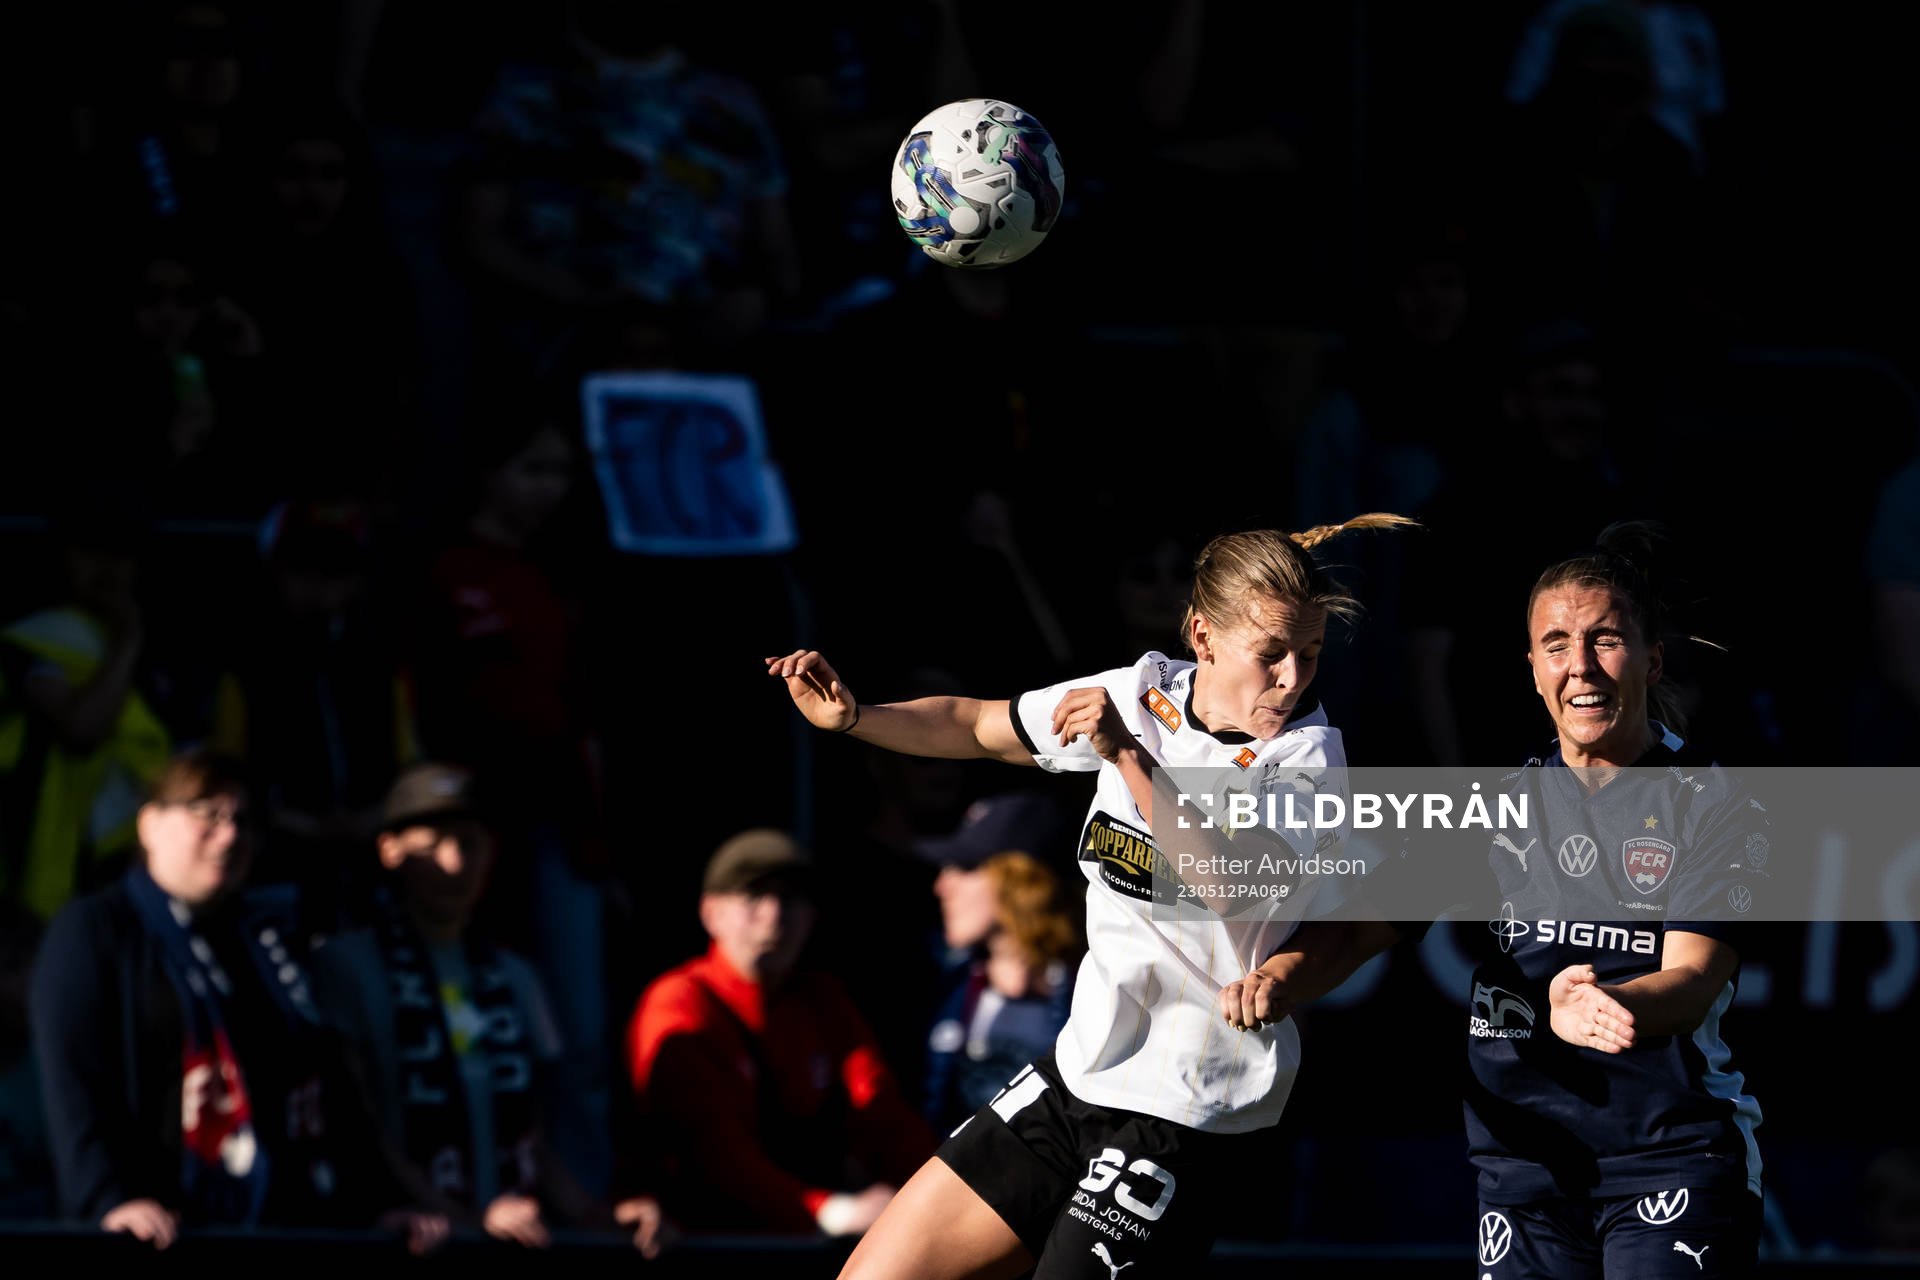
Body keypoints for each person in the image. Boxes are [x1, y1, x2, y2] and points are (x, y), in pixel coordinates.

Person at [767, 516, 1418, 1278]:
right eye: (1270, 654)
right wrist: (857, 719)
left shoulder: (1304, 758)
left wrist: (1129, 761)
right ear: (1203, 638)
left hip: (1183, 1105)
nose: (1292, 679)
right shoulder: (1139, 694)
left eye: (1308, 656)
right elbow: (980, 726)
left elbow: (1233, 891)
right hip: (1076, 1075)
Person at [1460, 522, 1766, 1278]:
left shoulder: (1718, 802)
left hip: (1673, 1158)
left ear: (1653, 658)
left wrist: (1599, 1007)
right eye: (1557, 644)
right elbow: (1363, 928)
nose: (1582, 666)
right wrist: (1278, 977)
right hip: (1524, 1169)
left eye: (1606, 639)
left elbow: (1693, 981)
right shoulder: (1487, 806)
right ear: (1532, 669)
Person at [27, 749, 442, 1252]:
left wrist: (380, 1202)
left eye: (242, 822)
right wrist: (106, 1201)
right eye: (207, 814)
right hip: (155, 1232)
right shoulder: (94, 929)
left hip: (273, 1224)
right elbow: (73, 1085)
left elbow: (326, 1083)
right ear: (150, 824)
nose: (229, 835)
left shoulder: (264, 942)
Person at [304, 761, 664, 1254]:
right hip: (402, 1239)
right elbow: (359, 1126)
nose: (453, 863)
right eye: (432, 844)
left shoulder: (516, 976)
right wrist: (469, 1220)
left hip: (510, 1234)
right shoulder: (345, 966)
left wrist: (595, 1215)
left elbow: (531, 1136)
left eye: (469, 843)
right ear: (388, 851)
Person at [625, 830, 934, 1237]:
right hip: (704, 1240)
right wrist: (832, 1211)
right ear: (710, 912)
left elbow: (881, 1113)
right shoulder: (680, 1003)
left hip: (804, 1236)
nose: (773, 915)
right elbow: (714, 1153)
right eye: (753, 897)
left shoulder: (822, 1000)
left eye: (790, 898)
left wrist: (943, 1196)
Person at [918, 793, 1080, 1134]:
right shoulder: (931, 981)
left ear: (1020, 881)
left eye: (964, 867)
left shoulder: (1096, 986)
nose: (941, 886)